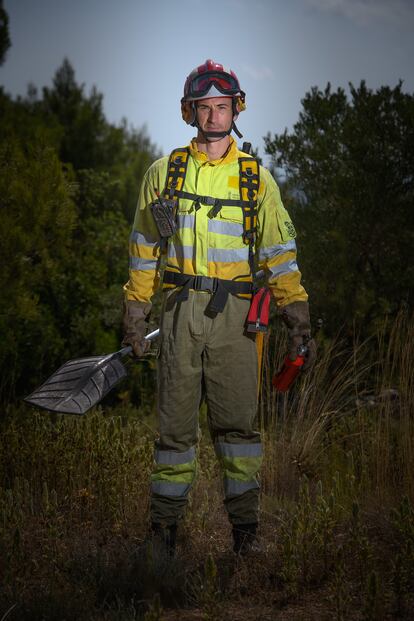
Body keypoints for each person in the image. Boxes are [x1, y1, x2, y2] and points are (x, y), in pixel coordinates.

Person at [122, 59, 316, 557]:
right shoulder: (163, 174)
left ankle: (245, 538)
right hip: (179, 312)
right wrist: (135, 313)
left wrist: (298, 317)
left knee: (239, 430)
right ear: (190, 112)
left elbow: (280, 256)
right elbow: (144, 248)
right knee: (174, 430)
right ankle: (163, 536)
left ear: (236, 108)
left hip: (238, 319)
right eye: (204, 106)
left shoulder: (257, 180)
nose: (214, 114)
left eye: (222, 105)